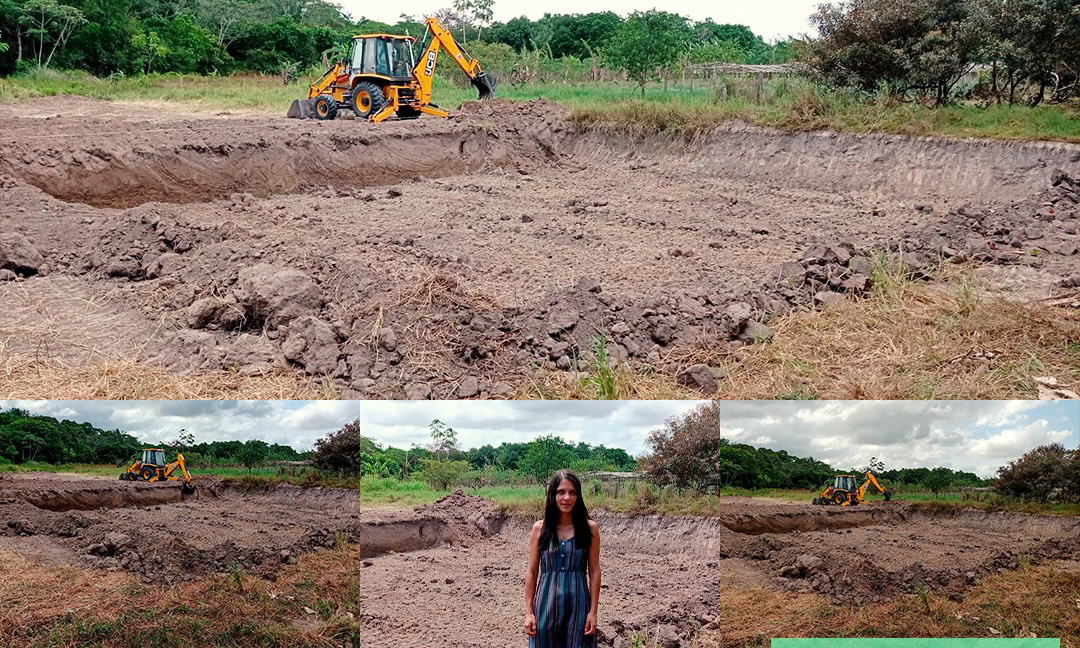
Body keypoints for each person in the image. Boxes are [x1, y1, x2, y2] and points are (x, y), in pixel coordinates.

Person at [524, 470, 601, 648]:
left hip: (579, 606)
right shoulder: (540, 529)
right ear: (553, 495)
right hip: (545, 605)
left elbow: (595, 571)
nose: (567, 497)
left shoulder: (590, 529)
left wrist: (593, 612)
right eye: (561, 492)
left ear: (578, 496)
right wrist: (529, 612)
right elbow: (532, 572)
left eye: (572, 492)